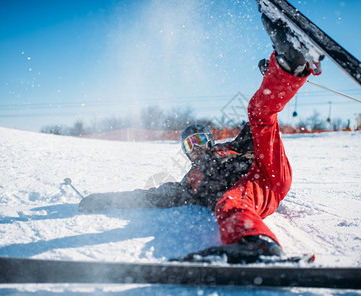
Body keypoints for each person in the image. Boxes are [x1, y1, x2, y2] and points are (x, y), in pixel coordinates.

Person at [79, 14, 322, 263]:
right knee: (229, 202)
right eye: (189, 144)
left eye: (200, 140)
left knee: (257, 112)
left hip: (266, 168)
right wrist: (109, 199)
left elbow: (254, 134)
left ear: (210, 140)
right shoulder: (190, 182)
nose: (196, 147)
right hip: (254, 190)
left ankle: (289, 65)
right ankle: (256, 246)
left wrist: (269, 78)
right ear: (184, 150)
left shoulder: (229, 147)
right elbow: (152, 196)